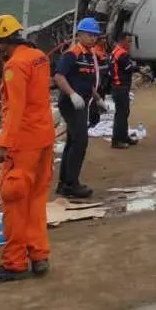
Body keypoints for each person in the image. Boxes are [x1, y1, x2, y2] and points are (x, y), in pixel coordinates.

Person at [0, 14, 56, 284]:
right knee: (36, 200)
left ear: (1, 43)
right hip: (44, 138)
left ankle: (14, 263)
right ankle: (39, 255)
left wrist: (3, 145)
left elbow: (15, 110)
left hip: (23, 144)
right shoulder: (38, 57)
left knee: (13, 201)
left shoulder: (14, 66)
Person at [53, 17, 101, 198]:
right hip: (71, 103)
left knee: (73, 141)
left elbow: (87, 81)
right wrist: (72, 94)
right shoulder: (73, 53)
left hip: (82, 102)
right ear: (79, 34)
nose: (93, 39)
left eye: (95, 36)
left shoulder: (89, 55)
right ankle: (71, 184)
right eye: (89, 35)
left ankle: (64, 183)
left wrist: (97, 99)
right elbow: (59, 77)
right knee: (80, 141)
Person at [109, 32, 138, 149]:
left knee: (123, 113)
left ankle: (123, 136)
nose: (130, 44)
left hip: (117, 86)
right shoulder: (122, 54)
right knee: (121, 114)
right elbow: (129, 68)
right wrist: (136, 66)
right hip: (120, 87)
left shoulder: (115, 51)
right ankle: (117, 140)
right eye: (128, 41)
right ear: (122, 41)